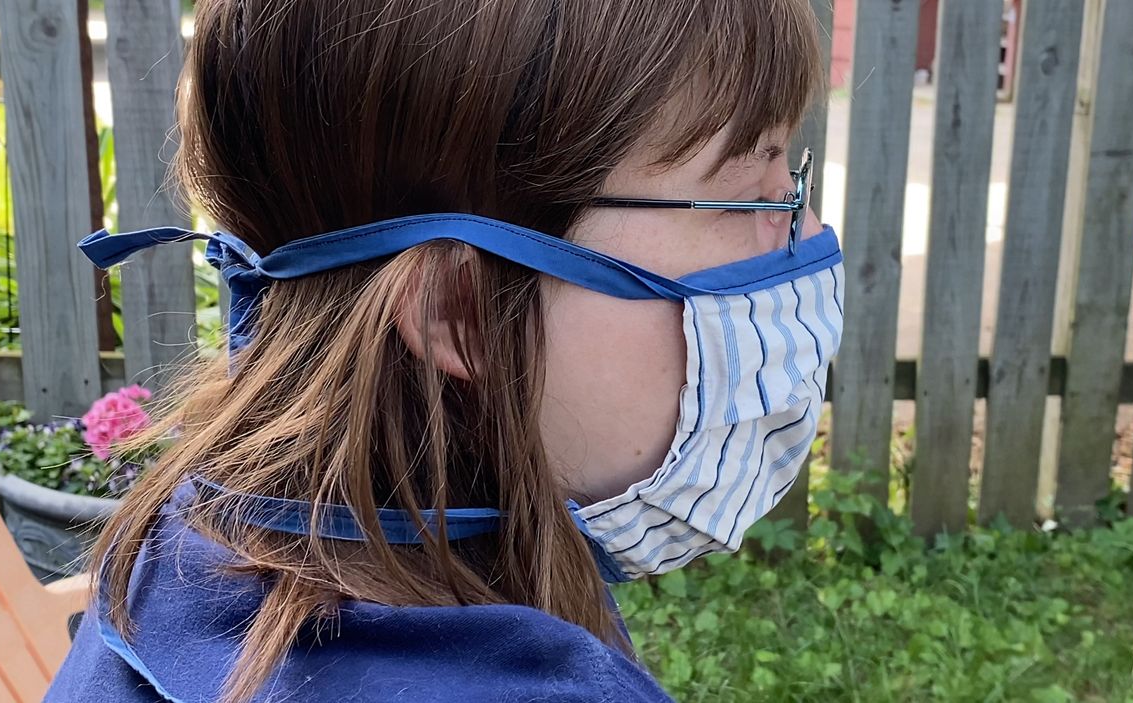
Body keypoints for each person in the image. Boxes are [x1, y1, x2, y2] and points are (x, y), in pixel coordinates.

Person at [46, 0, 841, 701]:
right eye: (749, 199)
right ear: (460, 313)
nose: (803, 234)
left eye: (792, 185)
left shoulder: (185, 550)